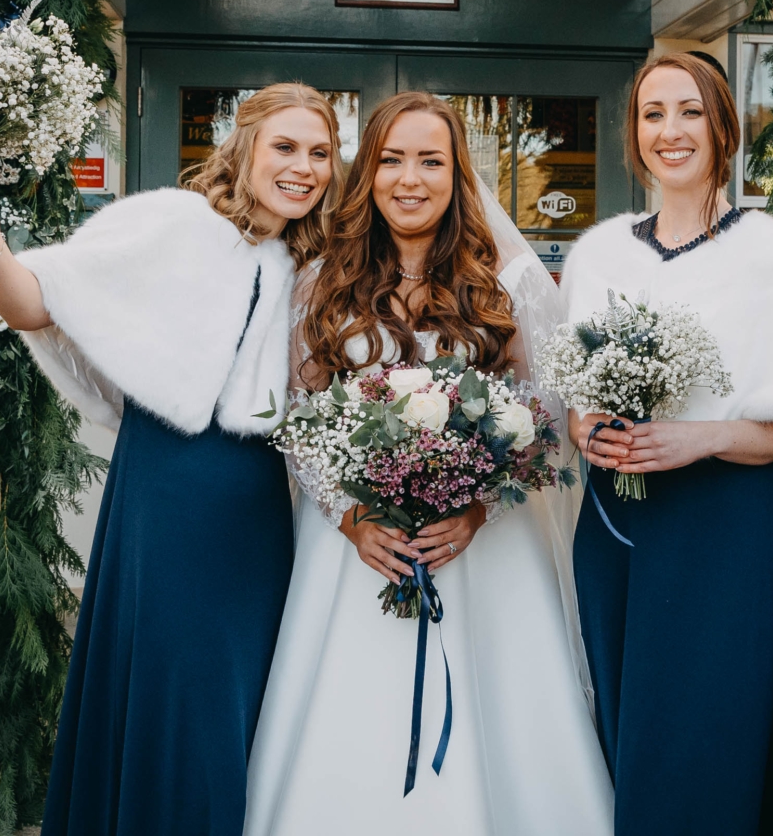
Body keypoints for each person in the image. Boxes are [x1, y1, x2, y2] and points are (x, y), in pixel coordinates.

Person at [0, 82, 344, 836]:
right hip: (167, 489)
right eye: (285, 146)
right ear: (244, 145)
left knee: (237, 692)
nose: (304, 167)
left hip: (255, 501)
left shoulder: (313, 263)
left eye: (320, 153)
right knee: (175, 689)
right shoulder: (173, 225)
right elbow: (33, 302)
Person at [242, 91, 613, 835]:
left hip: (481, 550)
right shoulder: (322, 279)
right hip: (355, 550)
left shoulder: (501, 282)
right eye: (392, 160)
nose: (410, 179)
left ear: (457, 174)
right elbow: (299, 416)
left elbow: (543, 423)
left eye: (431, 161)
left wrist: (479, 506)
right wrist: (349, 518)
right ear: (368, 172)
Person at [560, 52, 773, 834]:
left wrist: (698, 438)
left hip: (726, 524)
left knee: (712, 730)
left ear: (723, 126)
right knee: (624, 717)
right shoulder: (600, 249)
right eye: (652, 113)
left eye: (689, 111)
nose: (669, 131)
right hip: (616, 523)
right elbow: (573, 393)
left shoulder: (769, 246)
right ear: (633, 133)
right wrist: (584, 423)